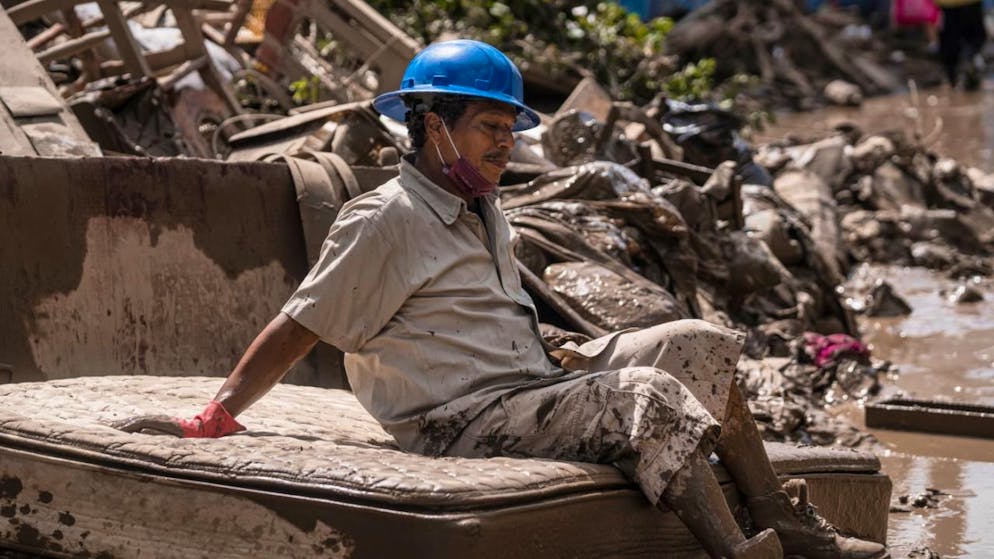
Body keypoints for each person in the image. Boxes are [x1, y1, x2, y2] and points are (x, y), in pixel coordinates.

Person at [114, 39, 887, 559]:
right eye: (488, 127)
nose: (505, 143)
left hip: (524, 388)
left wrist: (564, 357)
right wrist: (216, 414)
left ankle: (784, 519)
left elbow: (491, 316)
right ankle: (736, 553)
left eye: (510, 130)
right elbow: (299, 323)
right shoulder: (387, 218)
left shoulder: (485, 209)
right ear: (431, 126)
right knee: (648, 395)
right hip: (455, 421)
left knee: (699, 343)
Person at [934, 0, 987, 89]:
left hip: (946, 4)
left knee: (949, 40)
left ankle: (953, 78)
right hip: (969, 3)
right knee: (975, 38)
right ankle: (969, 60)